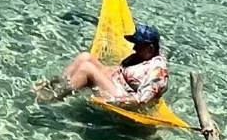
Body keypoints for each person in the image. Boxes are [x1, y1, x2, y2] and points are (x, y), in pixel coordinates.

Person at [42, 26, 170, 110]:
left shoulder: (157, 72)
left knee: (87, 69)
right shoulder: (146, 55)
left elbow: (141, 100)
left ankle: (52, 98)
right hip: (116, 80)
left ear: (151, 48)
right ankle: (54, 86)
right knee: (85, 57)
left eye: (138, 45)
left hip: (121, 95)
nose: (134, 48)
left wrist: (110, 101)